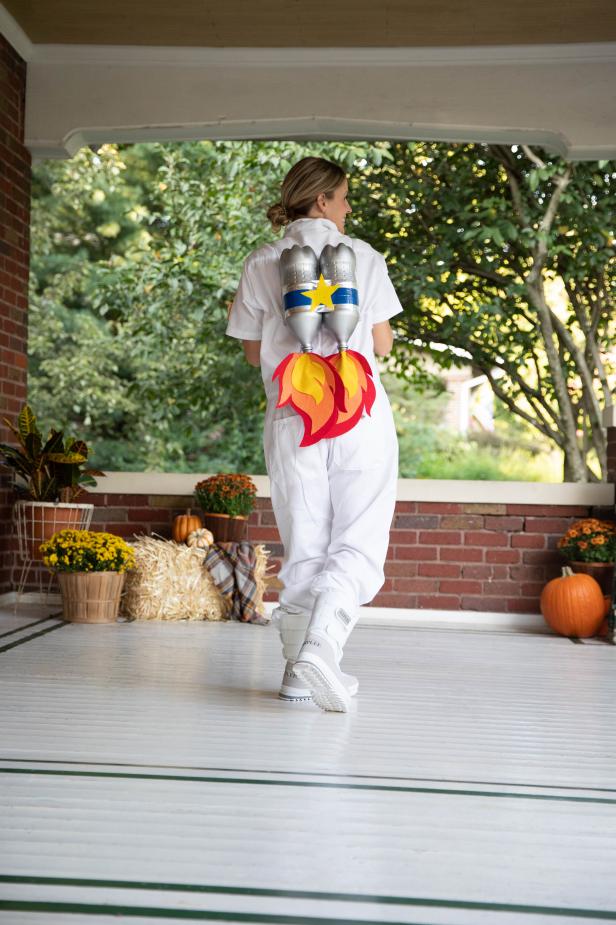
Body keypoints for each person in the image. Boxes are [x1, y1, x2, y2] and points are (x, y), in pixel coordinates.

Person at [225, 155, 404, 712]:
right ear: (322, 200)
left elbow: (254, 350)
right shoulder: (365, 258)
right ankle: (323, 647)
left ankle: (296, 671)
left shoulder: (261, 261)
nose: (349, 208)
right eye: (345, 197)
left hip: (293, 414)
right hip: (357, 413)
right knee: (358, 539)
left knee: (305, 543)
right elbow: (381, 344)